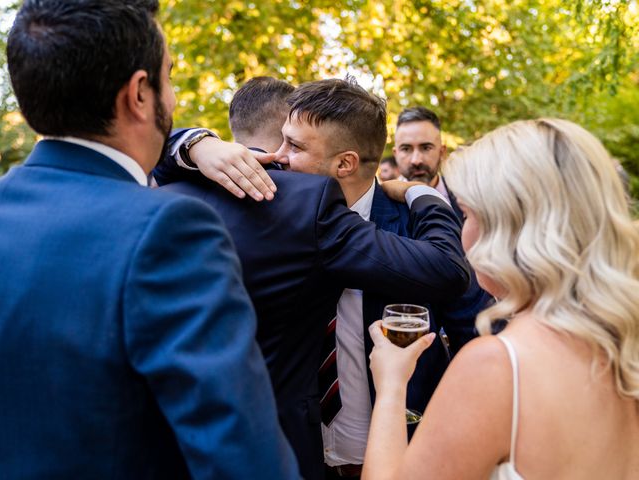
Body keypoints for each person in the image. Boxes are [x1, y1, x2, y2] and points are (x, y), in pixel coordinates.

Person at [0, 2, 299, 478]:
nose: (175, 98)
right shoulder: (170, 230)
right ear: (140, 93)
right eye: (171, 78)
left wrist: (194, 144)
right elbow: (241, 458)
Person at [154, 77, 470, 480]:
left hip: (389, 454)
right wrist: (200, 143)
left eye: (295, 146)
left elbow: (462, 310)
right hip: (291, 451)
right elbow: (156, 154)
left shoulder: (404, 225)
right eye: (281, 139)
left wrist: (420, 196)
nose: (277, 156)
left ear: (345, 163)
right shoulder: (258, 190)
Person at [363, 118, 639, 479]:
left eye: (468, 214)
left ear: (509, 228)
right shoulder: (621, 337)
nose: (463, 233)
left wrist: (391, 385)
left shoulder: (498, 366)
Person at [394, 106, 494, 353]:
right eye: (406, 149)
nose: (416, 159)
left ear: (442, 151)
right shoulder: (380, 207)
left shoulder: (474, 198)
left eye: (425, 148)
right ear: (395, 154)